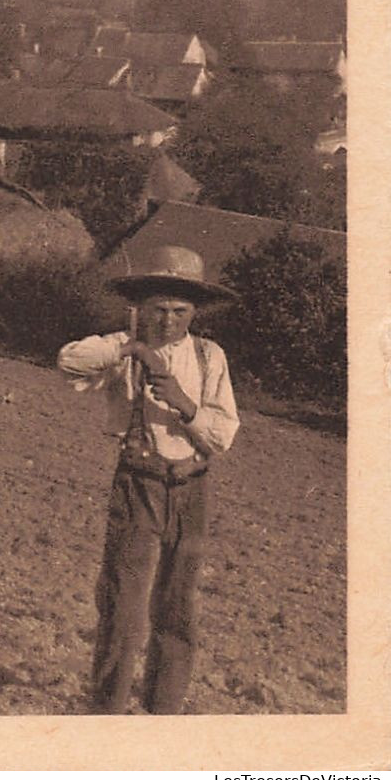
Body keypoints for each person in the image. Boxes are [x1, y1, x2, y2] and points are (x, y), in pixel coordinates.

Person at [57, 244, 240, 715]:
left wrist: (184, 403)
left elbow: (222, 435)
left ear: (194, 313)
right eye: (158, 310)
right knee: (123, 607)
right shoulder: (122, 350)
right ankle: (107, 712)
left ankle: (163, 713)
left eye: (180, 311)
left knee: (179, 608)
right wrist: (132, 348)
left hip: (191, 488)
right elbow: (68, 362)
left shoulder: (209, 357)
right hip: (138, 485)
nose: (169, 321)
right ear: (141, 308)